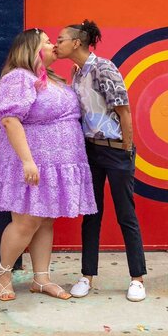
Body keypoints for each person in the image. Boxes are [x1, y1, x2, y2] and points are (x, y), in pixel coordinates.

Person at [0, 28, 96, 302]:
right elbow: (10, 119)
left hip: (56, 163)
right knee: (26, 221)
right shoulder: (19, 78)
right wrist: (28, 160)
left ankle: (41, 279)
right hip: (32, 161)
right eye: (48, 42)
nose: (53, 45)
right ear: (32, 49)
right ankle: (4, 274)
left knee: (46, 219)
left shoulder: (52, 78)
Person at [54, 20, 147, 302]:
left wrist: (126, 149)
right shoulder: (76, 71)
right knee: (91, 215)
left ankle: (137, 278)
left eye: (61, 40)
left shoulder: (103, 68)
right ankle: (87, 275)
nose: (57, 44)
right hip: (90, 151)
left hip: (115, 149)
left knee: (125, 214)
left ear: (77, 43)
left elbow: (124, 111)